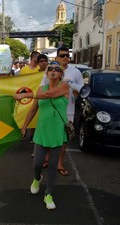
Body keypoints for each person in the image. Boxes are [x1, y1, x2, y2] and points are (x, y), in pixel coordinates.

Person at [14, 61, 69, 210]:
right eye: (50, 68)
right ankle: (37, 178)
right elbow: (32, 110)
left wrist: (26, 94)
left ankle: (49, 194)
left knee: (52, 165)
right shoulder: (40, 89)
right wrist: (24, 126)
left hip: (57, 131)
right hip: (42, 131)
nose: (53, 70)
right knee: (37, 163)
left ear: (61, 73)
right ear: (46, 73)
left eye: (57, 69)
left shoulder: (64, 87)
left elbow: (49, 95)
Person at [40, 46, 84, 176]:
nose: (66, 58)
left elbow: (80, 90)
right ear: (57, 57)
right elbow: (42, 88)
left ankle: (59, 162)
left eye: (67, 56)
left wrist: (74, 92)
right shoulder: (50, 70)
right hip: (51, 108)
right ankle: (48, 158)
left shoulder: (75, 72)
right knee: (50, 133)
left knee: (64, 138)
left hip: (68, 109)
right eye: (63, 55)